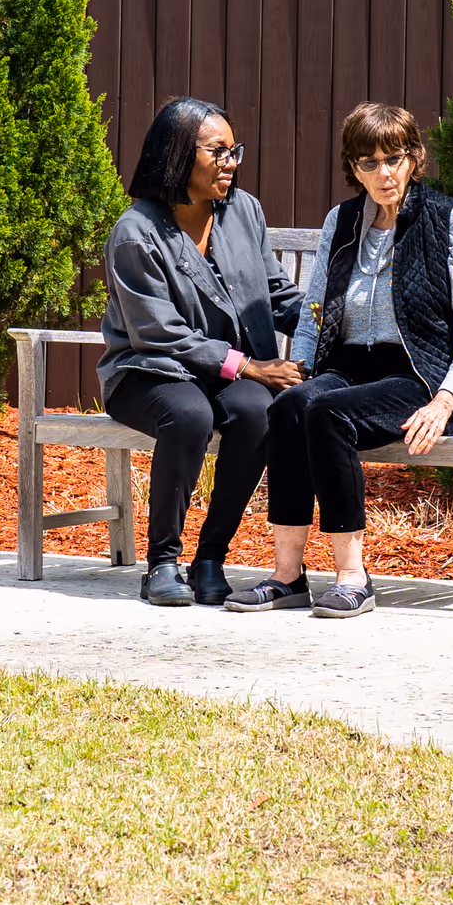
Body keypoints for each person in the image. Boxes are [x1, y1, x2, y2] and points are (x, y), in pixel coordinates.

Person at [228, 102, 453, 618]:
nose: (383, 173)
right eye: (368, 163)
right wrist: (299, 372)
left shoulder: (449, 220)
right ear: (353, 168)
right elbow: (316, 309)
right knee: (288, 408)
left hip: (423, 374)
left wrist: (446, 400)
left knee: (328, 414)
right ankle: (287, 576)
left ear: (414, 158)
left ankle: (353, 577)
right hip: (350, 366)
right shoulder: (342, 220)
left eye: (393, 159)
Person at [98, 97, 305, 607]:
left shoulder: (243, 211)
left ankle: (210, 557)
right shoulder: (136, 232)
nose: (231, 162)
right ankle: (162, 564)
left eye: (235, 150)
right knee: (189, 416)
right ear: (177, 155)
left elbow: (274, 294)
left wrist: (338, 319)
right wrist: (249, 365)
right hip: (148, 370)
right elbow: (158, 331)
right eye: (218, 152)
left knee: (260, 412)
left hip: (227, 373)